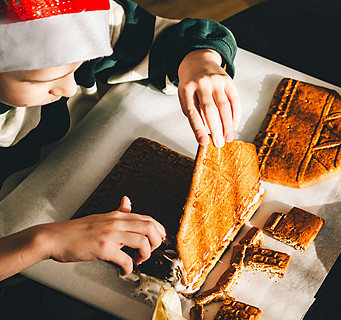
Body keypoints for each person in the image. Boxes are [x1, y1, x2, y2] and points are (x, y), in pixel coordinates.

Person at [0, 0, 241, 281]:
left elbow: (164, 37)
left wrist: (199, 59)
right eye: (41, 81)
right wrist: (44, 242)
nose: (69, 87)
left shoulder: (72, 11)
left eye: (76, 67)